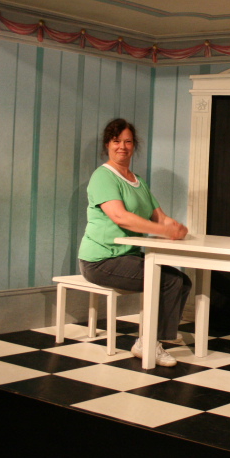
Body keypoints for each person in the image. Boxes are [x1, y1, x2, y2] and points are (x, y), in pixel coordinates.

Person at [77, 118, 191, 367]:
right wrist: (163, 231)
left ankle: (160, 334)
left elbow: (159, 216)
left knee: (182, 281)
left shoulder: (137, 181)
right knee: (169, 281)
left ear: (134, 145)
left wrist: (176, 227)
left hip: (126, 256)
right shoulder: (102, 177)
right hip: (101, 260)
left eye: (128, 142)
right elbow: (121, 217)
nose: (122, 146)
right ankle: (148, 343)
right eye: (116, 141)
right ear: (107, 144)